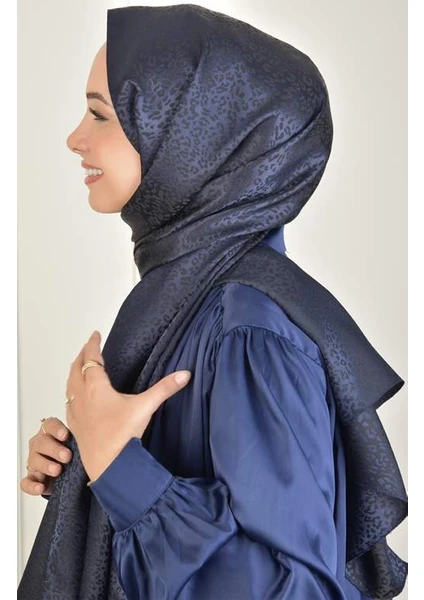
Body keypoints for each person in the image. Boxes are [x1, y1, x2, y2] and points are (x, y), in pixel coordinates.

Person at [18, 5, 407, 600]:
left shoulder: (248, 329)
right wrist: (86, 473)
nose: (76, 138)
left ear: (191, 137)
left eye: (101, 114)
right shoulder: (188, 299)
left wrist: (119, 463)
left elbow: (296, 591)